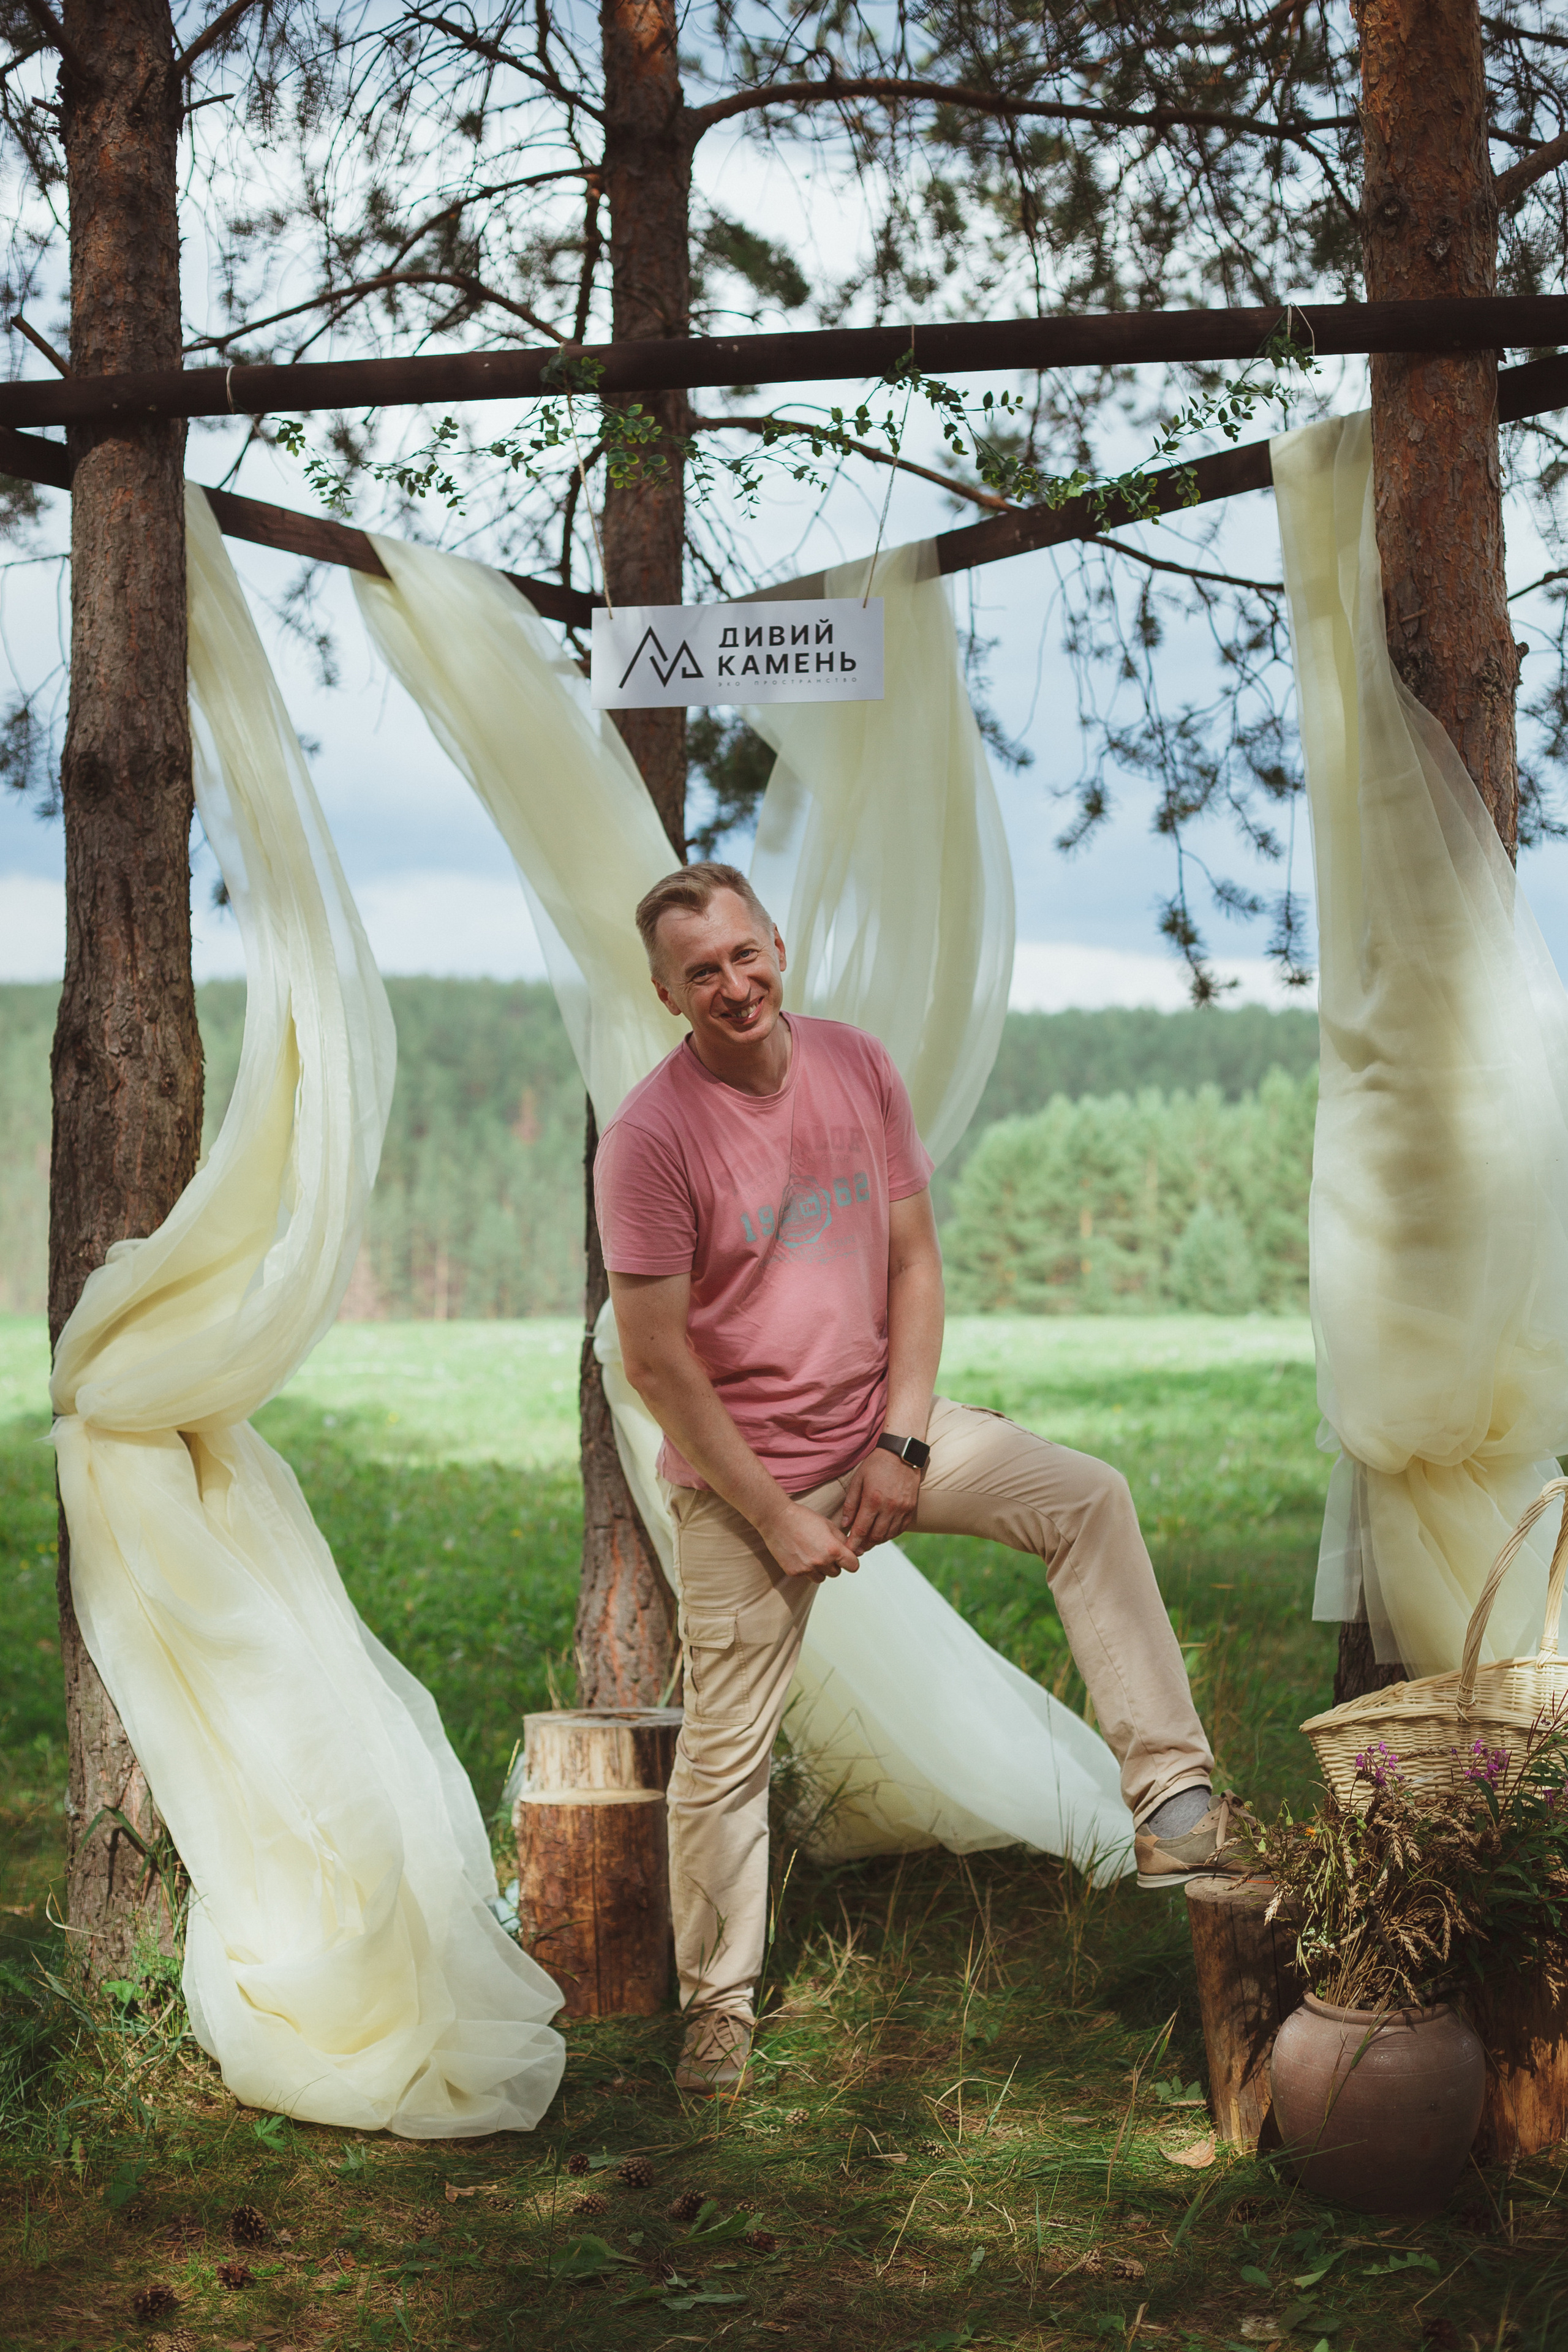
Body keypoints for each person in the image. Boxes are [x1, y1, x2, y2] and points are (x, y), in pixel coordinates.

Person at [595, 862, 1244, 2096]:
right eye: (701, 973)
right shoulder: (649, 1138)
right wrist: (777, 1515)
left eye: (745, 955)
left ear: (776, 945)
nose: (732, 985)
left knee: (1084, 1497)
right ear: (665, 994)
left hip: (883, 1426)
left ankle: (1171, 1804)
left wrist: (900, 1446)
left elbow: (913, 1266)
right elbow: (656, 1363)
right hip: (744, 1484)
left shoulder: (855, 1067)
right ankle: (717, 2009)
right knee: (724, 1757)